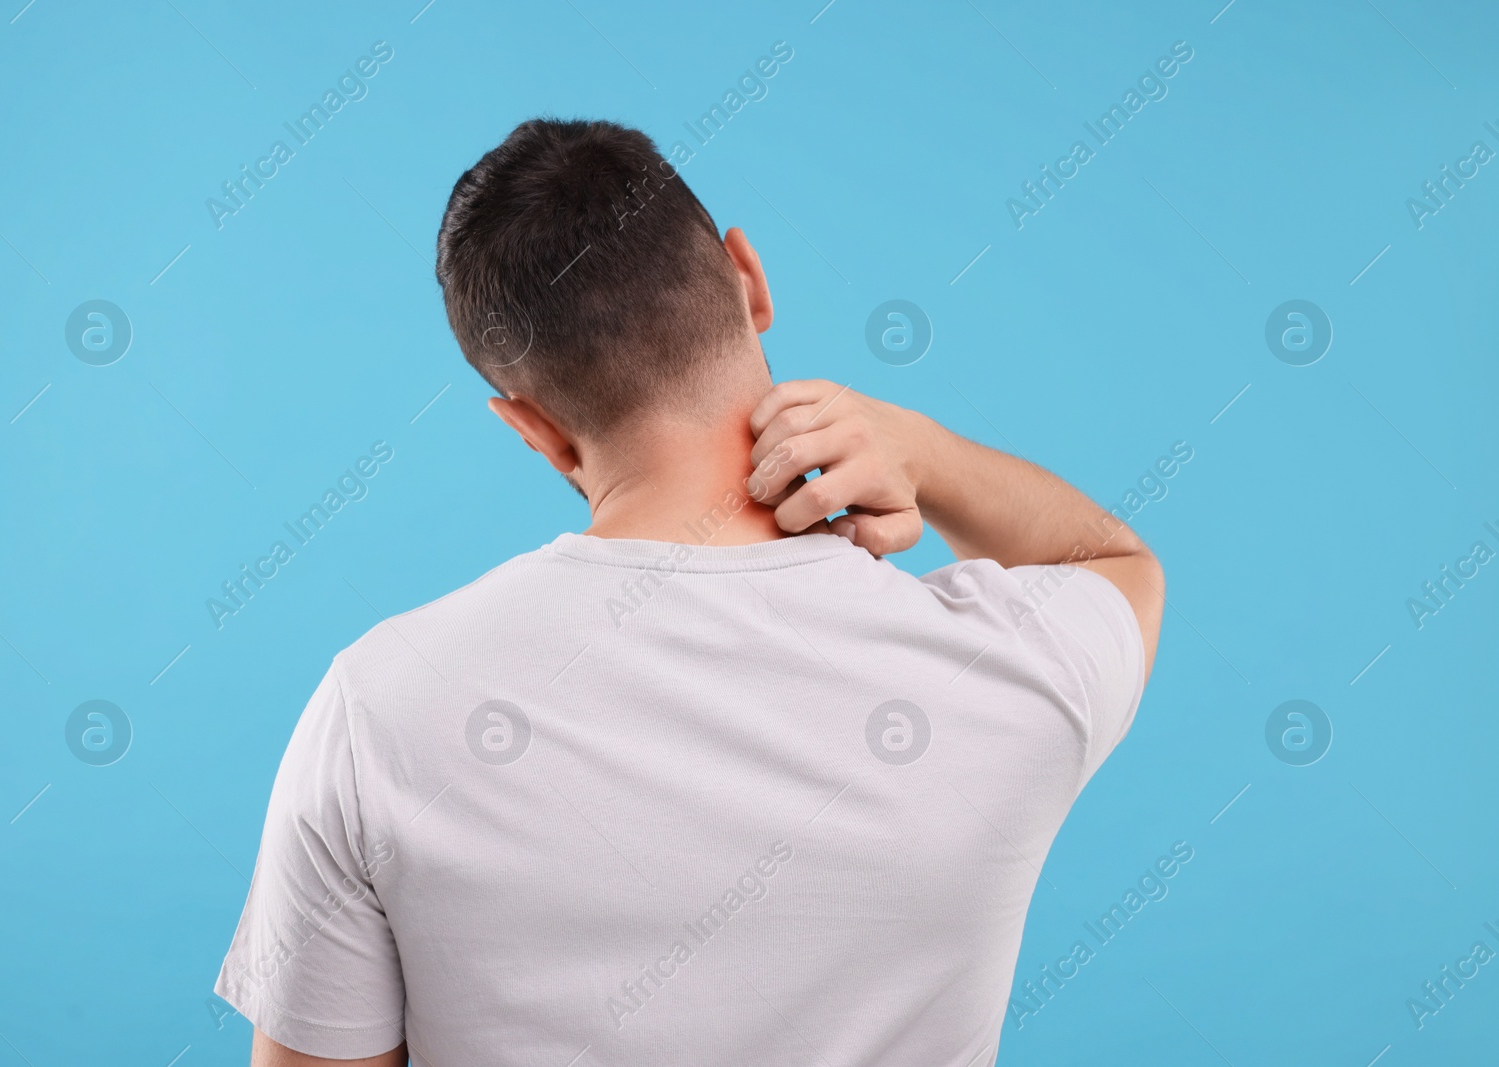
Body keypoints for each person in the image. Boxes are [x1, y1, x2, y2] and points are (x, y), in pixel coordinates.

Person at [215, 118, 1164, 1067]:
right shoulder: (994, 668)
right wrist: (923, 450)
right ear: (748, 278)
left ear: (532, 428)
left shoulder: (378, 711)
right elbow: (1118, 565)